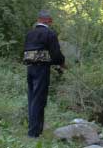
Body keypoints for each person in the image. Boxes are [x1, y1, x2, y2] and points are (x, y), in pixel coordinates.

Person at [23, 10, 65, 138]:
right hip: (42, 69)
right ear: (47, 20)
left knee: (32, 99)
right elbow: (56, 54)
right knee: (39, 100)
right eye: (50, 20)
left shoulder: (30, 34)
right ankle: (34, 133)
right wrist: (61, 63)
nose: (51, 23)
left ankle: (35, 130)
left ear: (38, 19)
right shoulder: (49, 33)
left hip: (30, 68)